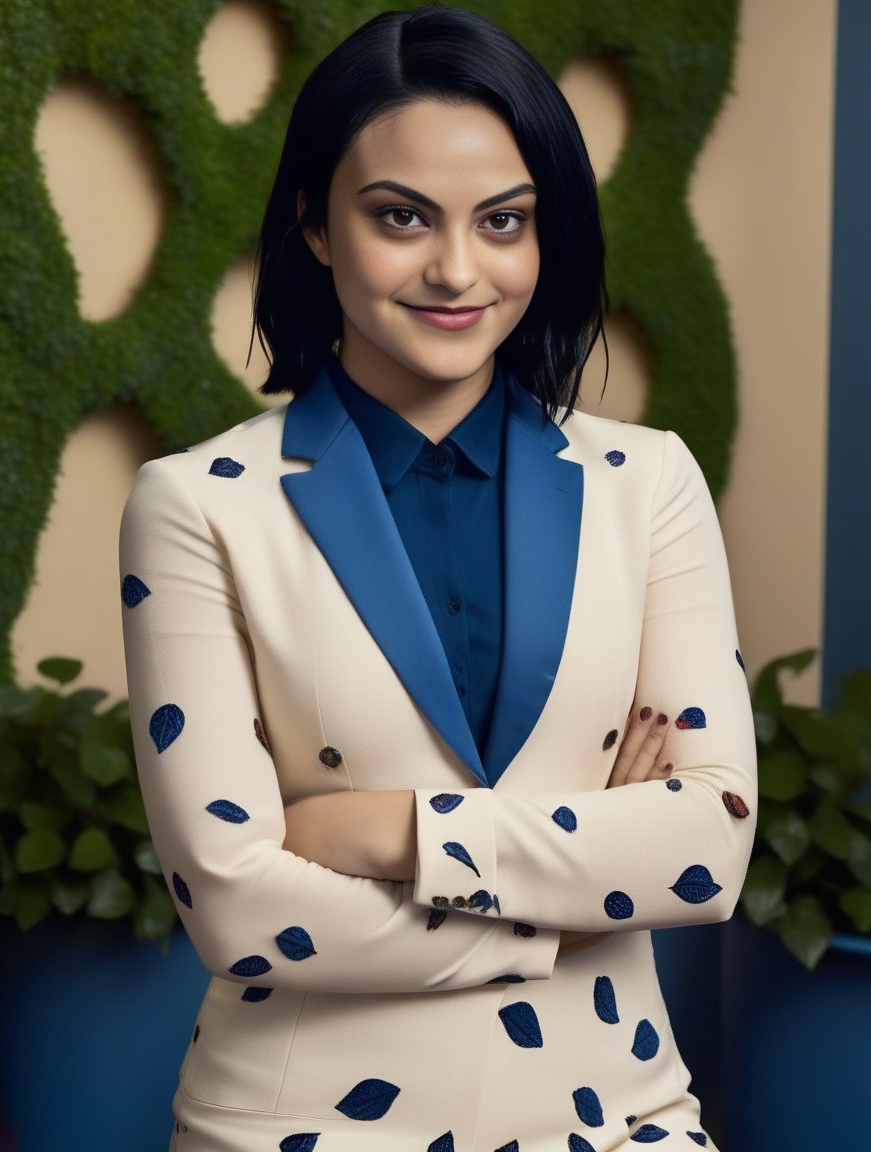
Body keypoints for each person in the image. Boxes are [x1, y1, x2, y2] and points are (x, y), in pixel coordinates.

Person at [119, 6, 756, 1150]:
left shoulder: (646, 483)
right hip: (302, 1129)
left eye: (502, 221)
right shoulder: (198, 504)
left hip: (621, 1119)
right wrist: (580, 894)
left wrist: (391, 834)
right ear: (314, 225)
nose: (457, 269)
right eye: (400, 217)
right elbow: (237, 908)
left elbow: (705, 850)